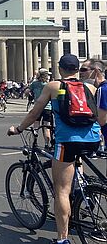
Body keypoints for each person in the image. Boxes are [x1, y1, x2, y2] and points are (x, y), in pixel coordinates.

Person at [7, 54, 107, 244]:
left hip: (68, 141)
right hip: (93, 139)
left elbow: (35, 112)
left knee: (61, 190)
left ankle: (63, 239)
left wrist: (18, 128)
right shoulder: (90, 86)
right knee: (76, 166)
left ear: (60, 69)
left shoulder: (53, 86)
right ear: (77, 69)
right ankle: (82, 192)